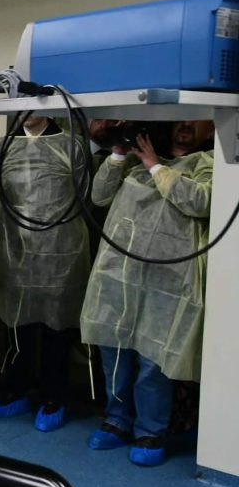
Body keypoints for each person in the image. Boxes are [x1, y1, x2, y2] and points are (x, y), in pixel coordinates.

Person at [80, 120, 214, 467]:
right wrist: (119, 153)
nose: (186, 125)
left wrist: (155, 166)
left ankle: (150, 431)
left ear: (212, 128)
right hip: (118, 276)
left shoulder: (209, 163)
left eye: (196, 120)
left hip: (167, 283)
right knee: (113, 350)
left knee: (154, 359)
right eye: (182, 119)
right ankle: (116, 421)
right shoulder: (134, 160)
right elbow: (99, 196)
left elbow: (201, 202)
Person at [0, 114, 90, 432]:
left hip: (60, 251)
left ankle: (53, 398)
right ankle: (15, 391)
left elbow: (84, 195)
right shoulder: (2, 146)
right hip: (13, 249)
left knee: (57, 327)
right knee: (17, 324)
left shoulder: (72, 145)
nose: (27, 112)